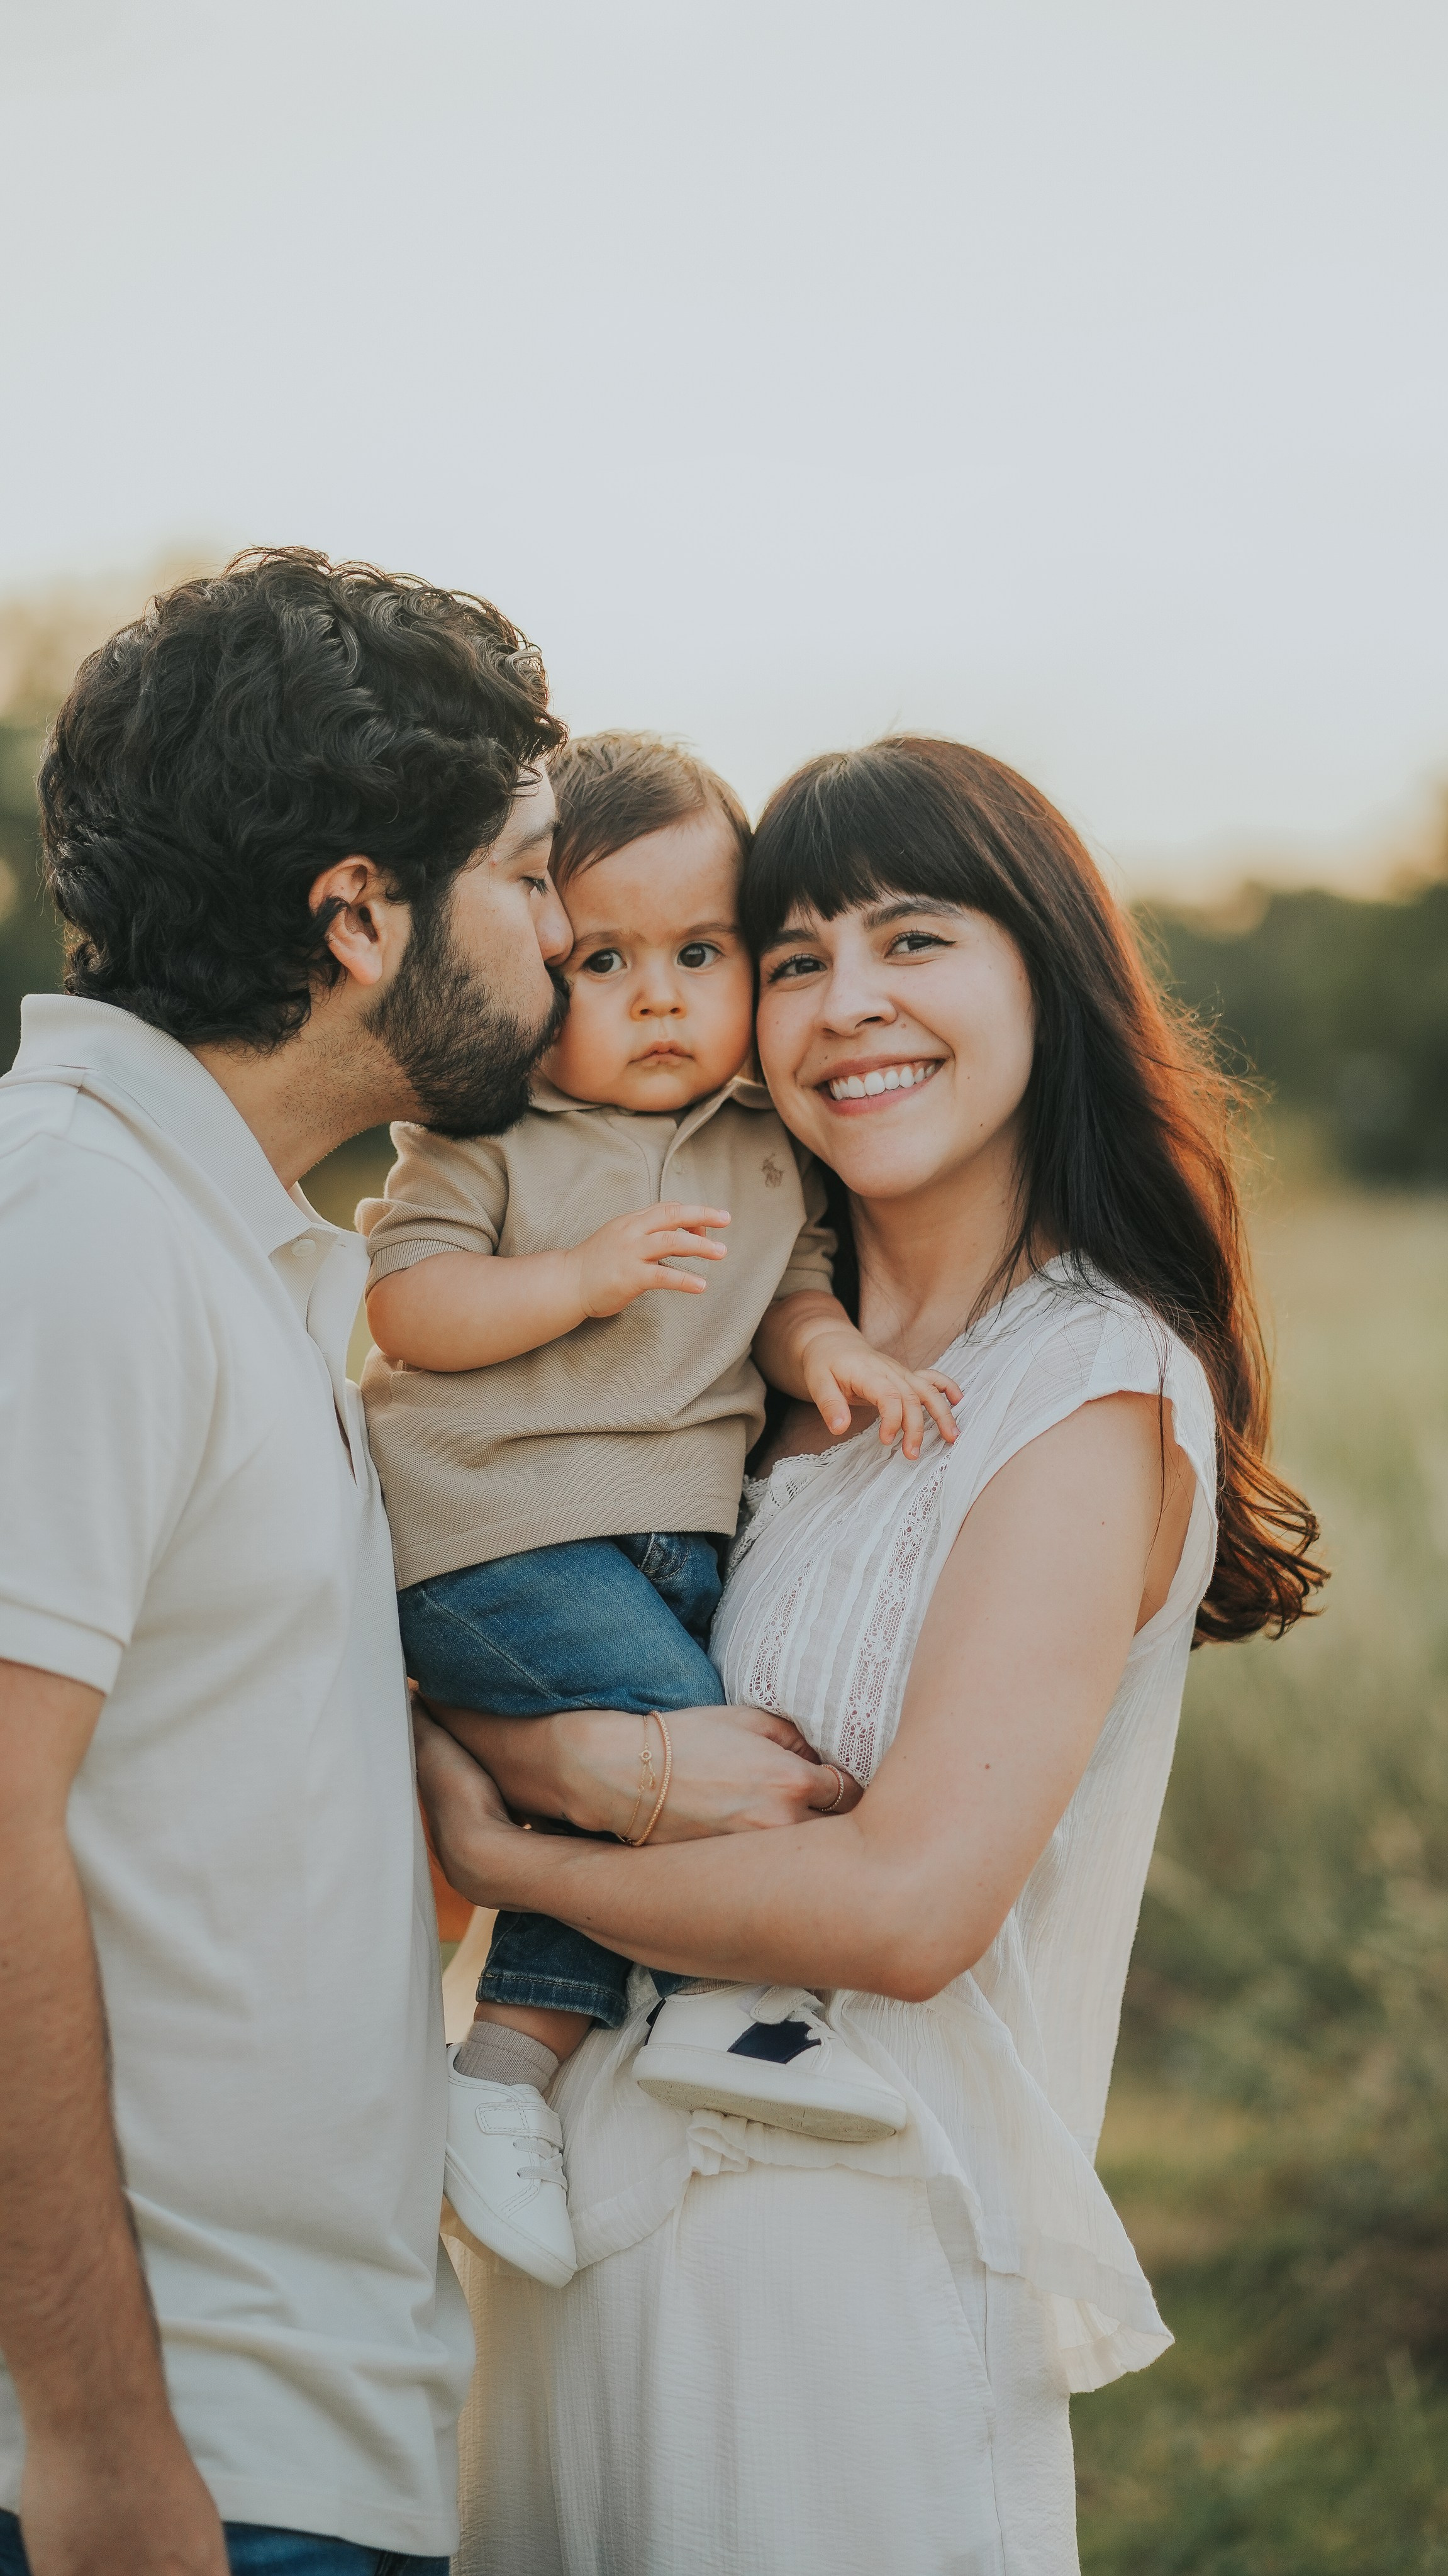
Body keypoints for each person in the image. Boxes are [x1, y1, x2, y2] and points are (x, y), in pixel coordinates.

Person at [415, 736, 1325, 2576]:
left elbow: (910, 1906)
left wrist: (531, 1826)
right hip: (576, 2257)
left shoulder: (1084, 1383)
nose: (848, 1008)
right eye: (799, 954)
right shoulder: (726, 1373)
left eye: (914, 940)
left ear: (1042, 976)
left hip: (844, 2299)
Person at [0, 547, 574, 2576]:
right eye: (522, 872)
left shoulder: (222, 1243)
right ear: (355, 914)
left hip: (305, 2431)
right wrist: (94, 2444)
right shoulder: (72, 1234)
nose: (564, 931)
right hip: (167, 2466)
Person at [359, 730, 960, 2289]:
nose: (658, 996)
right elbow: (410, 1306)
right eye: (604, 957)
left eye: (701, 952)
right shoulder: (488, 1134)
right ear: (532, 962)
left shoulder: (769, 1145)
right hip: (494, 1529)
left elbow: (794, 1296)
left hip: (665, 1534)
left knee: (624, 1778)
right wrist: (575, 1278)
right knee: (695, 1745)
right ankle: (568, 2046)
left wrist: (832, 1353)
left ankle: (523, 2057)